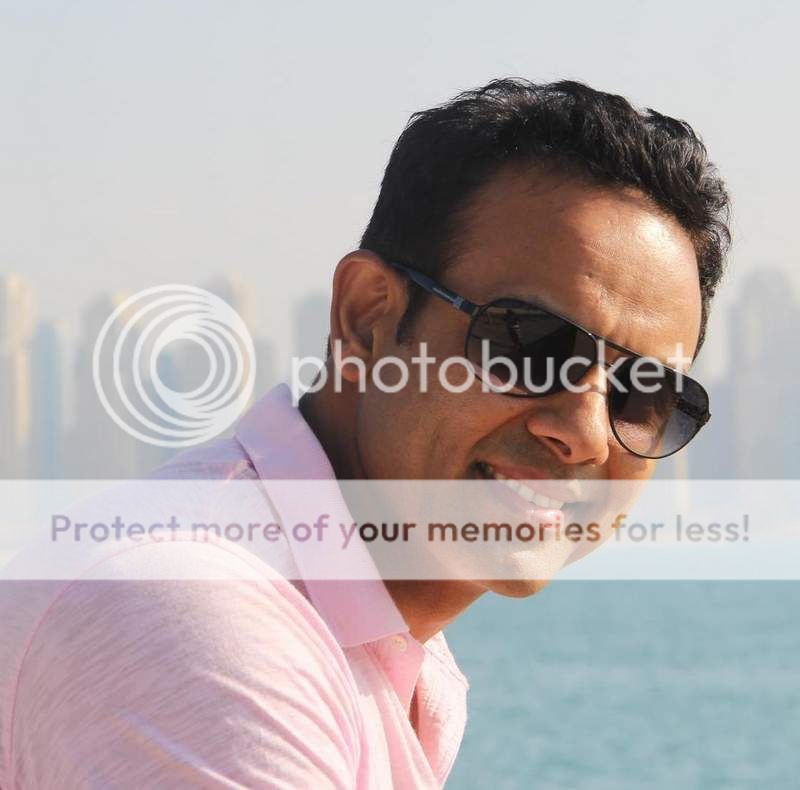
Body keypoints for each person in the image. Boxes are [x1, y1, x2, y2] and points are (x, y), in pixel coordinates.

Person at [0, 79, 729, 788]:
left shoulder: (383, 652)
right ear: (366, 316)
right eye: (530, 344)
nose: (585, 433)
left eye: (645, 394)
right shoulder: (198, 615)